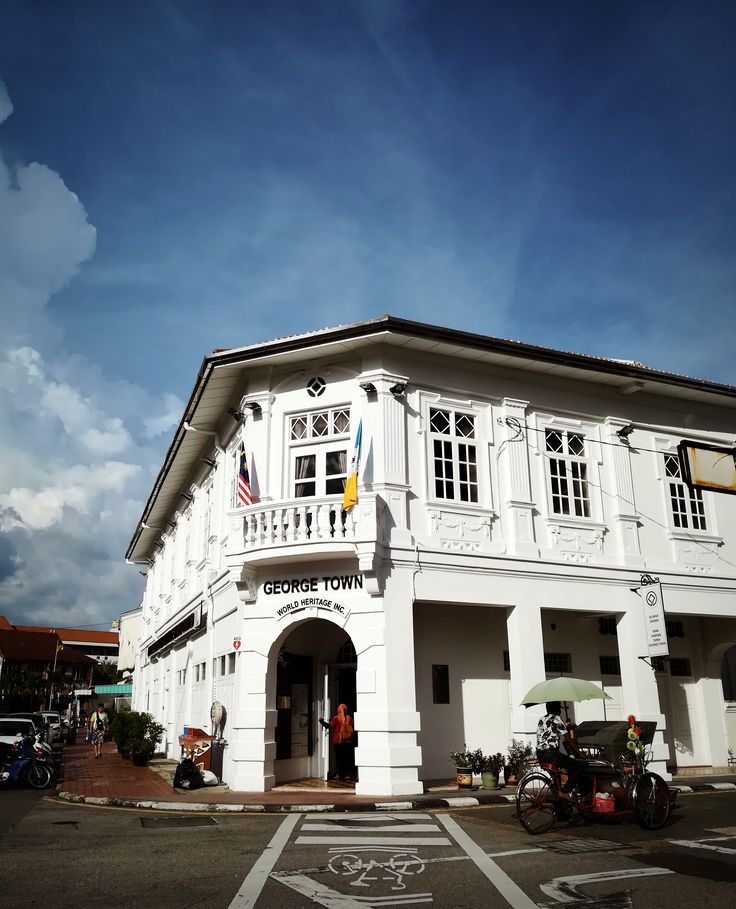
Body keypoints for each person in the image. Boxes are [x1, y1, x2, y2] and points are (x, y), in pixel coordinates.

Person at [536, 701, 586, 799]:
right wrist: (580, 753)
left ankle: (559, 803)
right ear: (555, 709)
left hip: (540, 754)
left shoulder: (541, 719)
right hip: (551, 754)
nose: (560, 710)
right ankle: (565, 791)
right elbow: (568, 740)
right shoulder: (557, 718)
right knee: (578, 766)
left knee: (557, 776)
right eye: (559, 708)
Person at [319, 703, 354, 781]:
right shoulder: (350, 719)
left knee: (339, 758)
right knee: (347, 758)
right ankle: (347, 773)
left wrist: (321, 721)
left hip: (338, 742)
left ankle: (341, 775)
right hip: (348, 742)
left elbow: (329, 726)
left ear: (338, 710)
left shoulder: (336, 719)